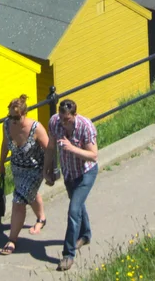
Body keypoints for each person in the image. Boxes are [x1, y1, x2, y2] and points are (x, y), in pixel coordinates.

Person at [43, 98, 99, 272]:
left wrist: (71, 147)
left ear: (74, 115)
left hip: (85, 174)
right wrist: (48, 169)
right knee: (78, 205)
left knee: (73, 210)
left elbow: (93, 155)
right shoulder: (54, 123)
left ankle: (68, 254)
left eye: (67, 119)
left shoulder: (85, 127)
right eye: (61, 118)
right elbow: (51, 147)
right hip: (69, 173)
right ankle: (85, 235)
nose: (63, 122)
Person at [0, 95, 49, 255]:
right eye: (10, 116)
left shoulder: (36, 128)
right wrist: (1, 164)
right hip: (17, 169)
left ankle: (12, 239)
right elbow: (5, 143)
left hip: (35, 169)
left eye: (16, 117)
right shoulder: (7, 125)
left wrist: (49, 170)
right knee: (30, 194)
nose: (13, 120)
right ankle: (41, 218)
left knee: (19, 200)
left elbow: (49, 148)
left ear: (24, 114)